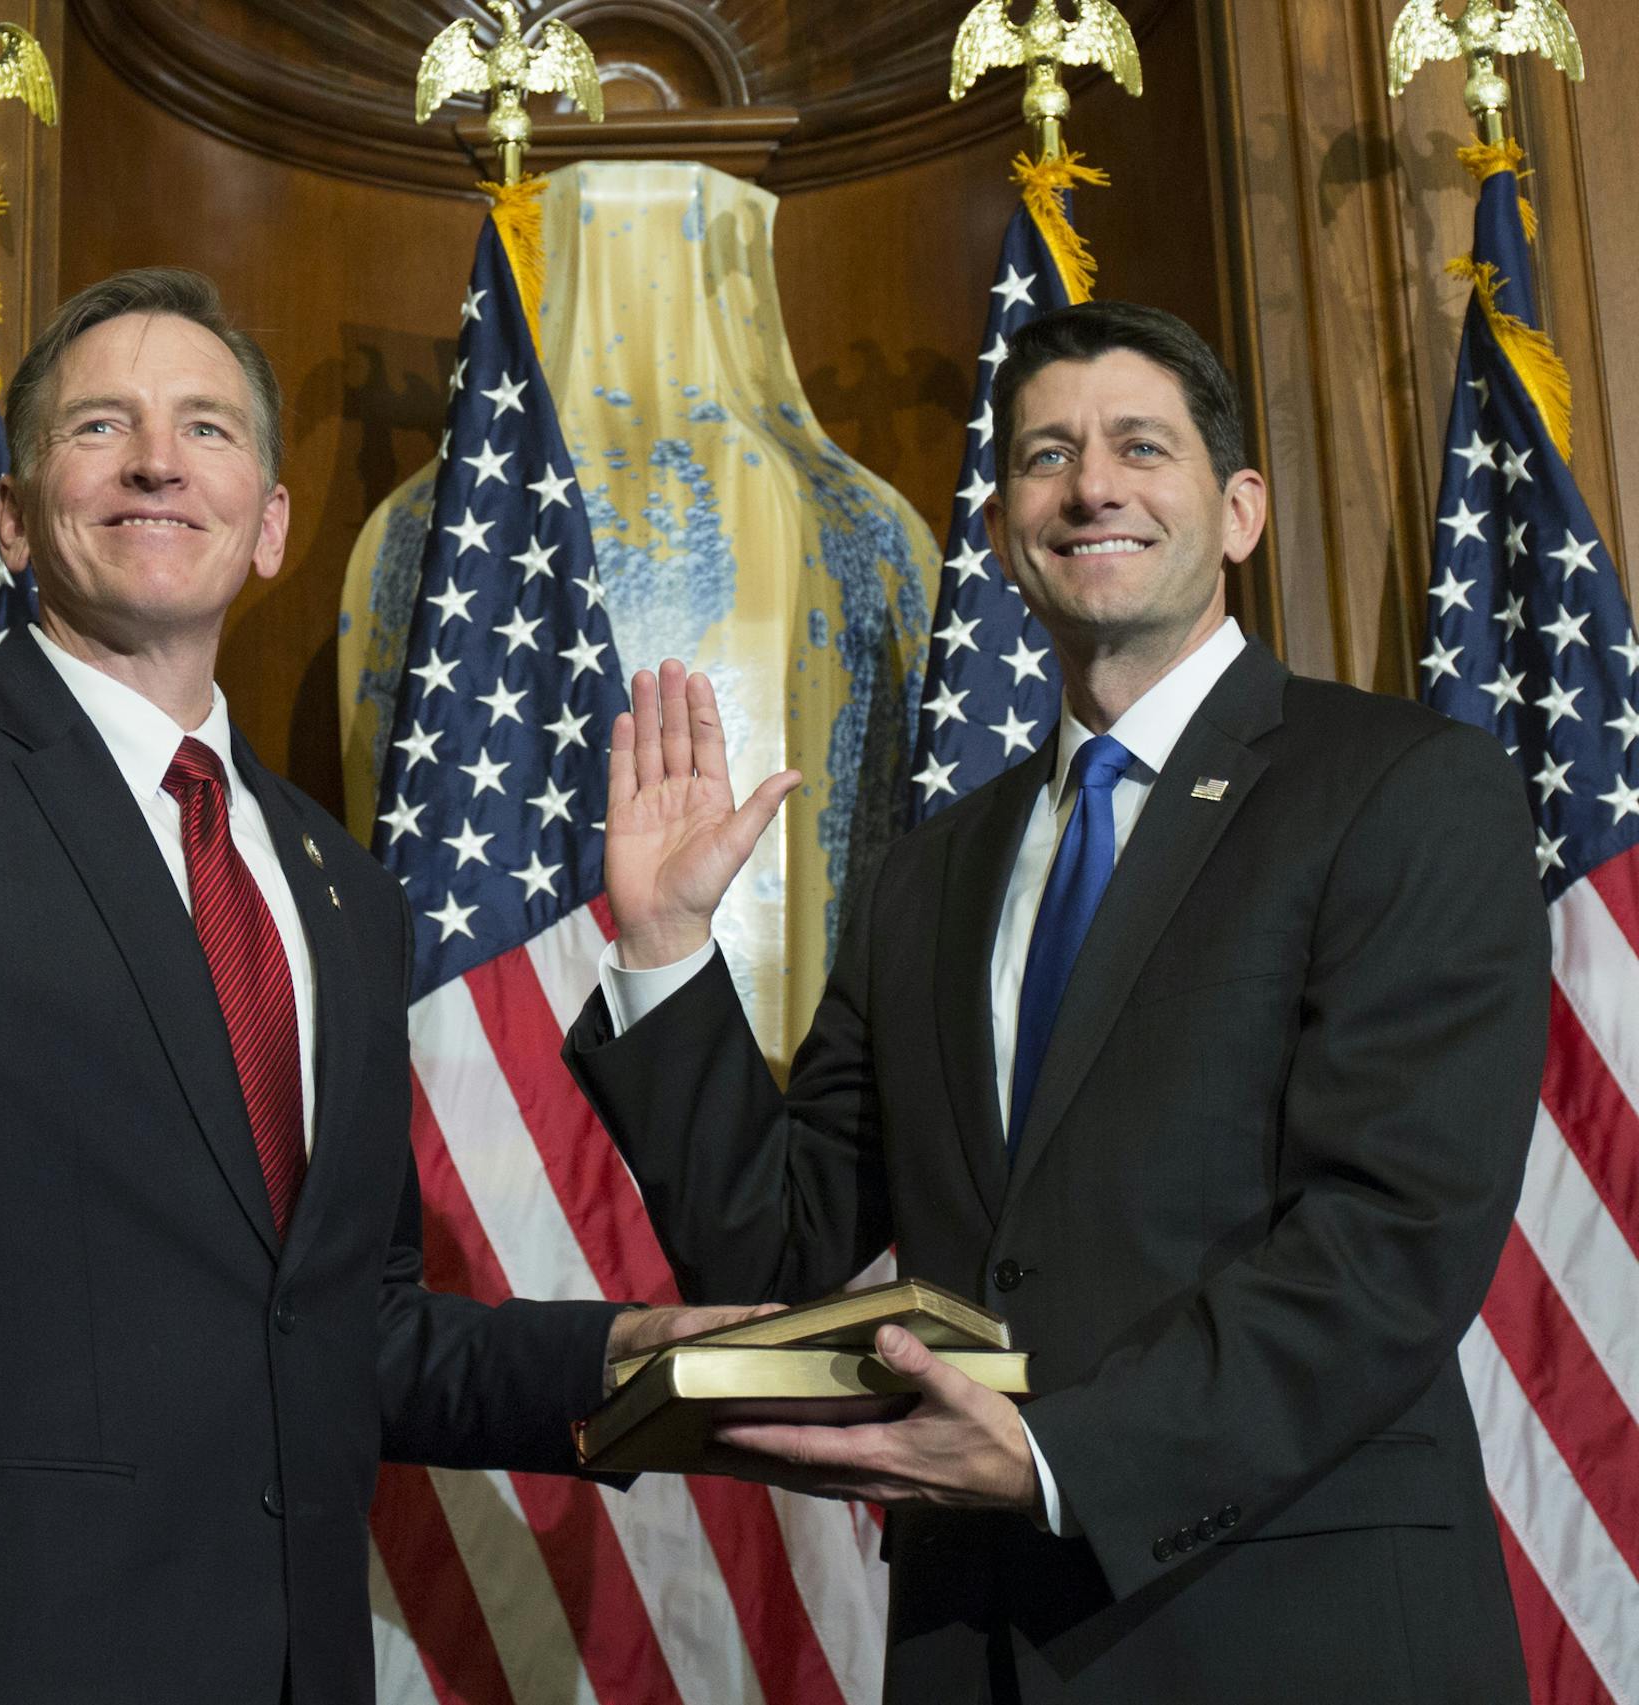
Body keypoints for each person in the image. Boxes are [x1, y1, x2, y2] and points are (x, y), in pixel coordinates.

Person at [0, 268, 714, 1704]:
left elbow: (347, 1328)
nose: (161, 457)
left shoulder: (342, 891)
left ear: (271, 523)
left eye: (209, 428)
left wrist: (630, 1352)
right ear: (19, 520)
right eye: (103, 425)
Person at [564, 300, 1550, 1702]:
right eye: (1047, 455)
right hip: (981, 1645)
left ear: (1241, 511)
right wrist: (664, 945)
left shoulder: (1400, 791)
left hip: (1295, 1628)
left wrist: (1056, 1457)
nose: (1092, 484)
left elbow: (1392, 1242)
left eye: (1140, 446)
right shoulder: (931, 870)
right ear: (1006, 527)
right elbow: (768, 1254)